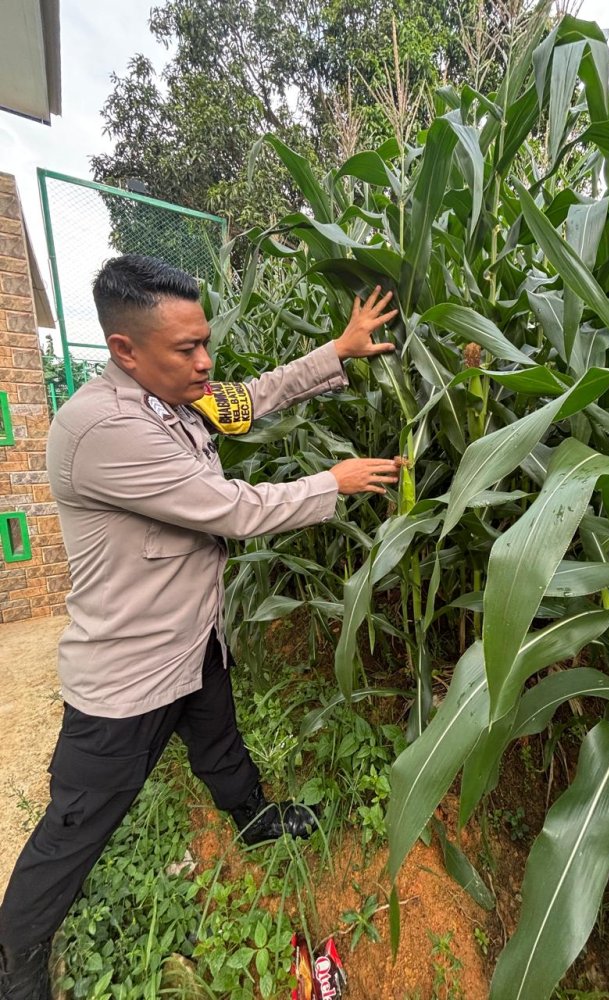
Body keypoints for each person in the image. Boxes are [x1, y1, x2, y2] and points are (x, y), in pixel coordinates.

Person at [0, 254, 400, 1000]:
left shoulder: (174, 398)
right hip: (129, 674)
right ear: (125, 350)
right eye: (187, 348)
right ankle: (18, 954)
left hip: (192, 639)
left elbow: (246, 400)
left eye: (205, 341)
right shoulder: (105, 428)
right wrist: (334, 481)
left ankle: (252, 818)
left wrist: (335, 353)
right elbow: (234, 509)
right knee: (78, 821)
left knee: (219, 740)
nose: (205, 361)